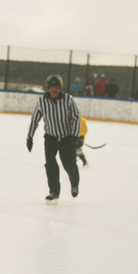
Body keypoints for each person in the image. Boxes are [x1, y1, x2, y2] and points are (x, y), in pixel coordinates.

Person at [26, 74, 81, 204]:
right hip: (51, 137)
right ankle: (54, 191)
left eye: (56, 87)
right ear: (48, 88)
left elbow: (76, 117)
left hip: (67, 137)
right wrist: (30, 137)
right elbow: (35, 119)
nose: (54, 89)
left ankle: (74, 183)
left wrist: (74, 136)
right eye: (52, 87)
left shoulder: (68, 99)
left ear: (60, 88)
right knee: (50, 164)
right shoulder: (42, 101)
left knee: (68, 163)